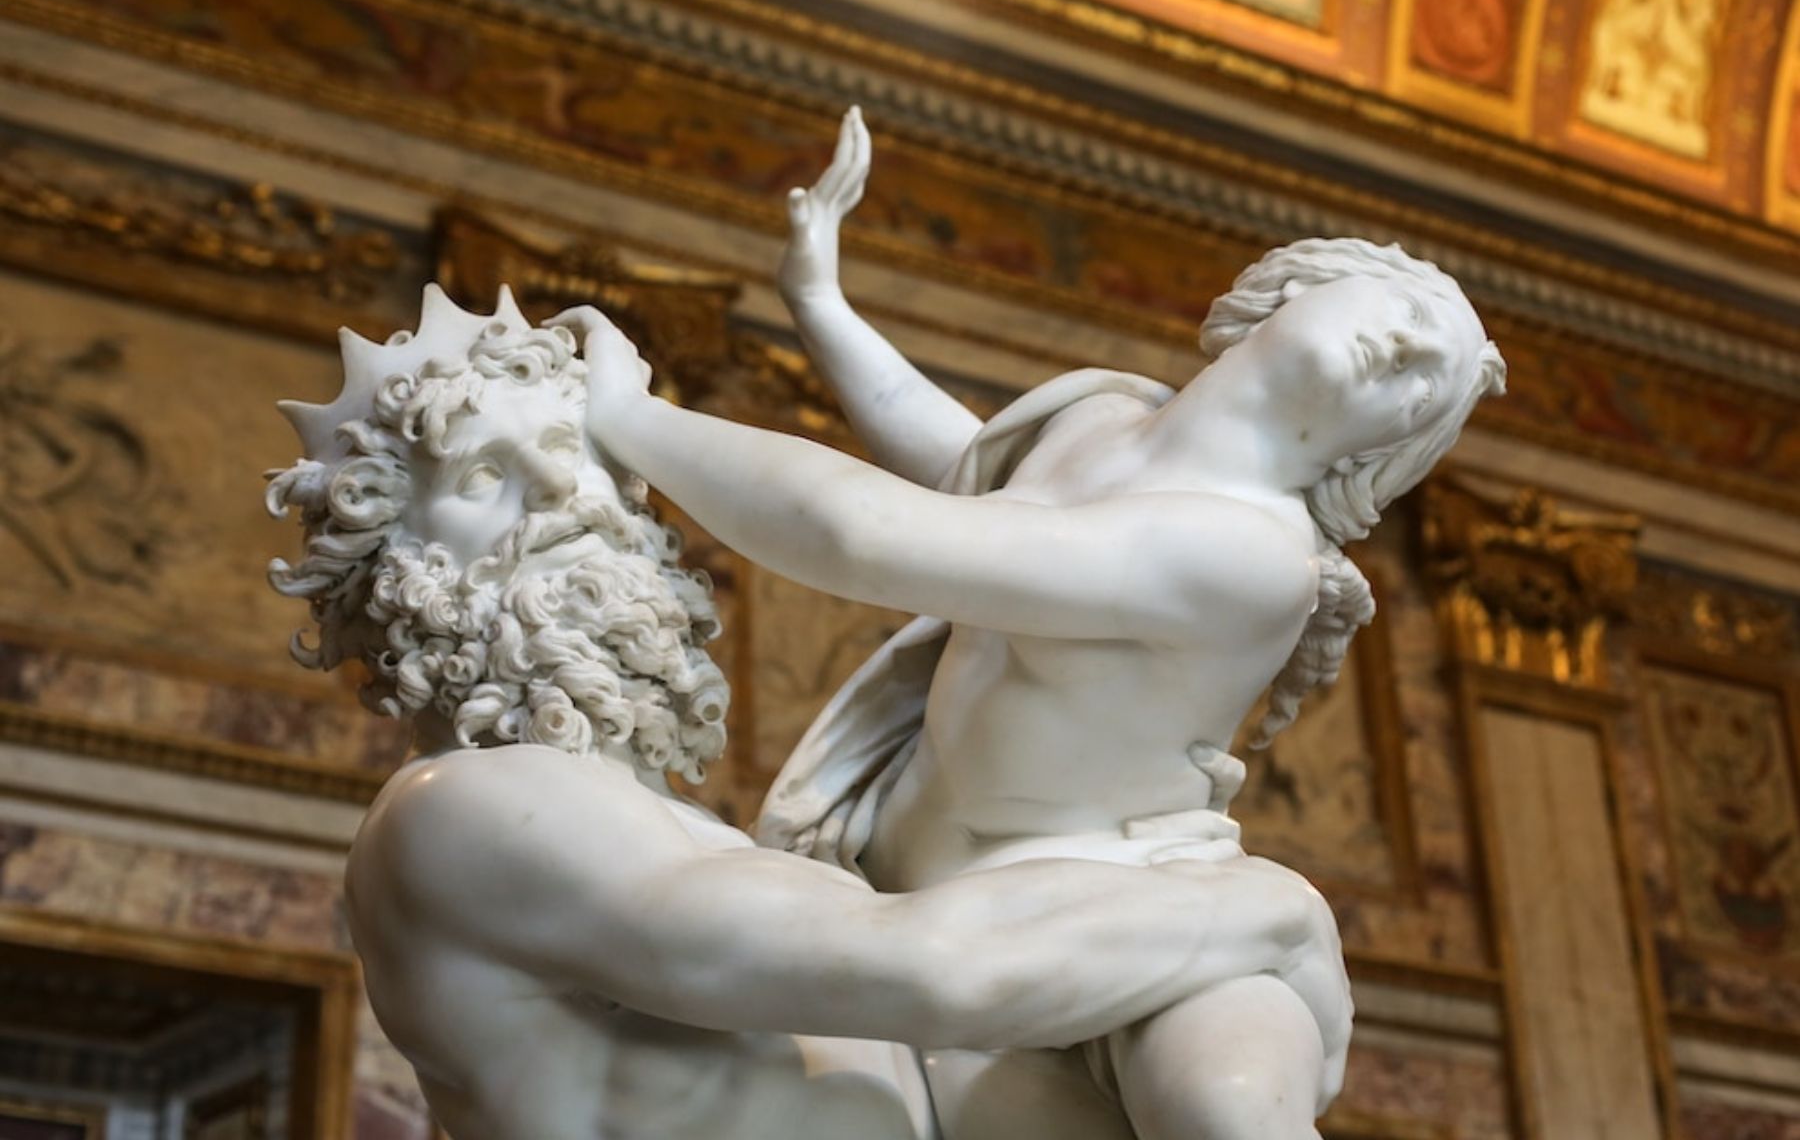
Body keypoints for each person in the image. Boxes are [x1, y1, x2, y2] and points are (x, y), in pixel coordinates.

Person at [569, 107, 1505, 1140]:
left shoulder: (1253, 556)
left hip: (1140, 908)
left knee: (1224, 1111)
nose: (1409, 345)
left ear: (1383, 448)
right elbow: (962, 473)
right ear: (1299, 284)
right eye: (1409, 309)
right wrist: (821, 301)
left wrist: (631, 417)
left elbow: (868, 535)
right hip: (926, 886)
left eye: (1429, 383)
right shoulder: (1100, 414)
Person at [265, 284, 1353, 1140]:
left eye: (576, 452)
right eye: (481, 477)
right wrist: (1269, 910)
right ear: (387, 564)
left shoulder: (681, 831)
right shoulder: (463, 812)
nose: (563, 496)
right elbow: (935, 973)